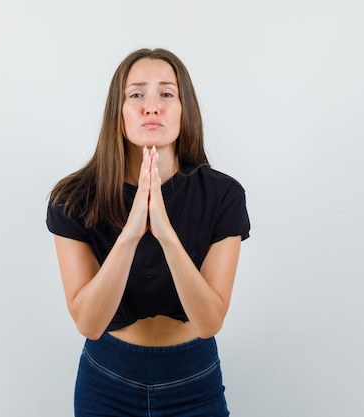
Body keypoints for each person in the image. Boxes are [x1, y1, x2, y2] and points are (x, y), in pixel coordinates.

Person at [46, 48, 250, 417]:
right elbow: (89, 323)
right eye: (136, 94)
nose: (151, 106)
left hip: (194, 379)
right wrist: (130, 233)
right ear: (118, 112)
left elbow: (209, 322)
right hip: (107, 379)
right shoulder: (72, 199)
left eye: (167, 94)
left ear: (185, 109)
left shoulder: (223, 195)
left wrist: (167, 235)